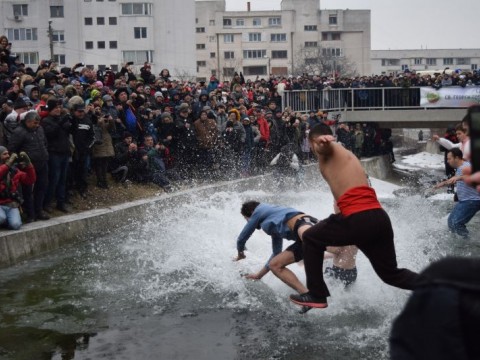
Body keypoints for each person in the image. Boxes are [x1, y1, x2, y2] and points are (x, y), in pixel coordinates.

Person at [289, 124, 420, 310]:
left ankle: (317, 295)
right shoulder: (345, 157)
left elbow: (326, 147)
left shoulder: (331, 150)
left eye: (311, 143)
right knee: (391, 275)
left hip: (358, 218)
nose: (312, 148)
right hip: (378, 218)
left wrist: (323, 143)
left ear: (311, 140)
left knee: (310, 237)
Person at [234, 201, 358, 312]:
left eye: (246, 219)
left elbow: (242, 238)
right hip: (305, 236)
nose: (247, 222)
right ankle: (307, 296)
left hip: (304, 226)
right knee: (275, 264)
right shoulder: (272, 221)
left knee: (312, 238)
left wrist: (241, 253)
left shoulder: (259, 210)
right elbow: (276, 253)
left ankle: (318, 294)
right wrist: (259, 275)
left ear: (250, 214)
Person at [433, 148, 480, 238]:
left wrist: (459, 178)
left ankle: (466, 242)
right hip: (464, 201)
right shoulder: (460, 168)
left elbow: (472, 174)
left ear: (457, 158)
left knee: (456, 223)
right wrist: (443, 183)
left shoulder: (466, 166)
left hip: (472, 201)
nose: (447, 161)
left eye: (449, 158)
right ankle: (460, 240)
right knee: (451, 221)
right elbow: (456, 177)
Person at [0, 148, 35, 230]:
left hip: (11, 204)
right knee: (1, 218)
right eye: (4, 154)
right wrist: (8, 164)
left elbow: (30, 180)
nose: (8, 156)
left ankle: (6, 222)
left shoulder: (14, 170)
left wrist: (29, 165)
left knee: (16, 225)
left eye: (8, 154)